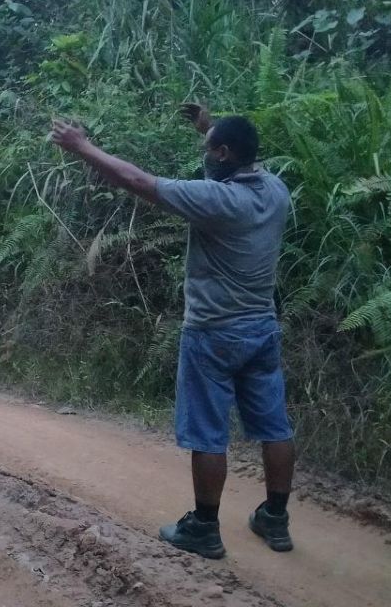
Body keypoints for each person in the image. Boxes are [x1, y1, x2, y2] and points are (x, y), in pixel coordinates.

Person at [49, 106, 296, 560]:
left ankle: (204, 528)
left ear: (224, 154)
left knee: (207, 433)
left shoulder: (218, 200)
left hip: (214, 334)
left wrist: (82, 147)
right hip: (262, 329)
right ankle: (276, 520)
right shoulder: (276, 190)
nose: (205, 155)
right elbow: (237, 153)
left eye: (209, 148)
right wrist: (209, 126)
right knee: (274, 426)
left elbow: (141, 182)